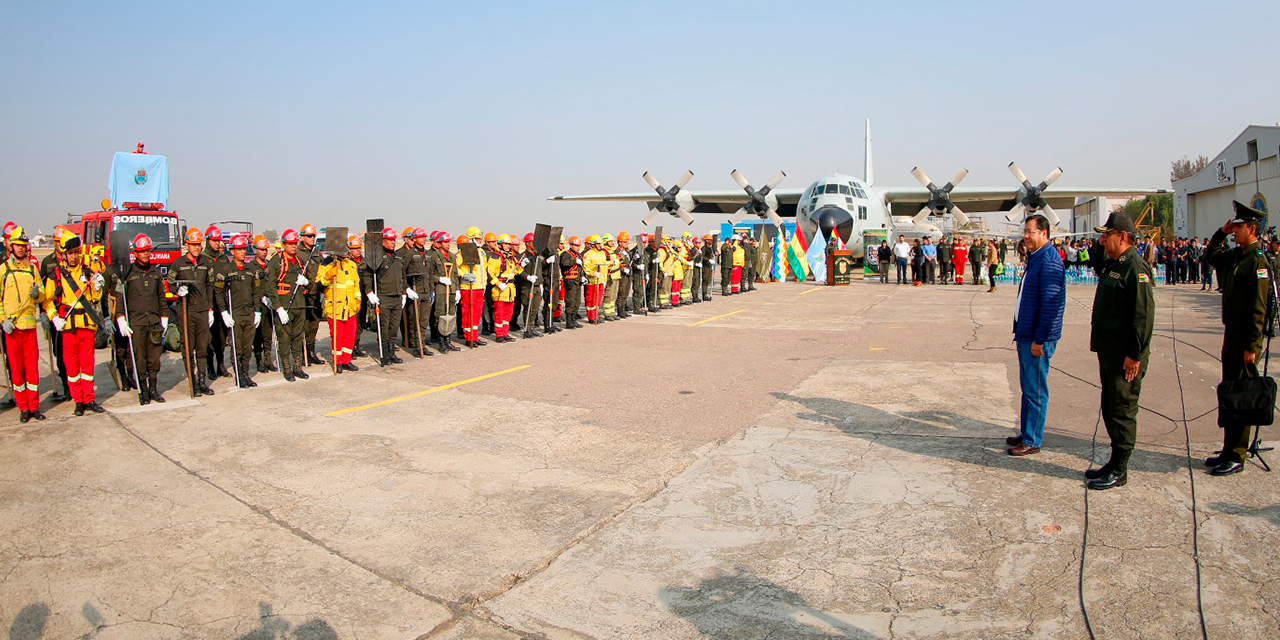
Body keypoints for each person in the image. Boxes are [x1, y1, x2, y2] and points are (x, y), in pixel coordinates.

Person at [1085, 211, 1155, 489]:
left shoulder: (1135, 269)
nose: (1103, 240)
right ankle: (1114, 462)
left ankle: (1121, 469)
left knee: (1122, 409)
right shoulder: (1115, 264)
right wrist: (1099, 240)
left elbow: (1143, 317)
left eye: (1108, 235)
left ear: (1123, 237)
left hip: (1126, 356)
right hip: (1110, 352)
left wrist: (1135, 355)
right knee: (1111, 406)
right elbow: (1096, 260)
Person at [1204, 201, 1273, 476]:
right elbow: (1212, 255)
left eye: (1239, 226)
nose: (1236, 231)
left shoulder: (1257, 261)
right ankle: (1228, 448)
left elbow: (1259, 309)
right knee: (1231, 391)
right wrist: (1221, 232)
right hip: (1231, 333)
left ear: (1252, 229)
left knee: (1242, 394)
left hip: (1244, 337)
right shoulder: (1238, 256)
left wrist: (1252, 346)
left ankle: (1238, 454)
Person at [1008, 215, 1066, 456]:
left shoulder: (1049, 262)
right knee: (1027, 387)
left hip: (1036, 338)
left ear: (1044, 233)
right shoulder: (1036, 259)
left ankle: (1032, 439)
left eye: (1030, 232)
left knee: (1036, 389)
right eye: (1025, 231)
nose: (1026, 236)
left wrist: (1039, 340)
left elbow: (1051, 306)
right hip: (1026, 334)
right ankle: (1027, 430)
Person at [41, 231, 106, 415]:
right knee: (72, 366)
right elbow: (47, 300)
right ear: (64, 254)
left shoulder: (87, 271)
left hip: (86, 325)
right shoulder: (56, 275)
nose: (73, 256)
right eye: (70, 253)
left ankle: (89, 399)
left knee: (87, 365)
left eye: (76, 252)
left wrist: (98, 287)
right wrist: (54, 317)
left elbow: (94, 298)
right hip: (67, 325)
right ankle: (78, 400)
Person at [113, 233, 170, 405]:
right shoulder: (126, 273)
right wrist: (120, 318)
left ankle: (153, 389)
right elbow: (119, 297)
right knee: (139, 359)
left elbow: (161, 297)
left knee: (154, 359)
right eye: (142, 251)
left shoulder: (156, 273)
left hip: (153, 322)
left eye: (148, 251)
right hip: (136, 323)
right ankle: (143, 390)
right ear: (135, 253)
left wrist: (164, 316)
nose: (146, 254)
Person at [1, 227, 48, 420]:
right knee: (17, 369)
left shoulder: (32, 269)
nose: (20, 249)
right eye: (17, 245)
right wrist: (3, 320)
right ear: (11, 246)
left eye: (23, 245)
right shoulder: (3, 270)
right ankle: (23, 407)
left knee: (31, 369)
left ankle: (34, 406)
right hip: (12, 329)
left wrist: (38, 294)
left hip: (29, 329)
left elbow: (42, 295)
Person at [168, 227, 217, 396]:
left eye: (199, 245)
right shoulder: (178, 263)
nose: (197, 248)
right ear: (187, 245)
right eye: (193, 244)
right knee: (188, 348)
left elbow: (210, 286)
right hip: (186, 311)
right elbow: (170, 282)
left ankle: (203, 381)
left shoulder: (206, 263)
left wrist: (210, 308)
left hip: (202, 310)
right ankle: (193, 382)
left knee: (203, 348)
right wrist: (177, 290)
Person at [213, 235, 264, 387]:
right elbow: (219, 292)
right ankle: (239, 375)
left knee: (248, 347)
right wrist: (223, 312)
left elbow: (256, 291)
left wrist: (257, 311)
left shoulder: (251, 270)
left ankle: (246, 374)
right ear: (232, 251)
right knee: (237, 347)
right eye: (239, 249)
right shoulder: (225, 270)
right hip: (234, 314)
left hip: (249, 313)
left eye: (244, 248)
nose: (242, 252)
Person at [267, 229, 313, 380]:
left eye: (295, 244)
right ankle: (287, 368)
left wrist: (306, 282)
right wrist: (278, 308)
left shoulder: (299, 261)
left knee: (298, 337)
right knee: (284, 338)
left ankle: (297, 367)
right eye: (290, 244)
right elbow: (270, 286)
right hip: (284, 306)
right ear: (284, 244)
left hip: (300, 305)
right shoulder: (276, 261)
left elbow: (309, 281)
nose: (293, 246)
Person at [362, 228, 408, 363]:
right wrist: (369, 292)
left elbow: (403, 276)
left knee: (394, 327)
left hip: (397, 296)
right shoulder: (376, 257)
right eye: (390, 240)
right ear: (383, 241)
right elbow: (367, 276)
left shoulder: (398, 257)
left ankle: (392, 351)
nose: (393, 243)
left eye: (394, 240)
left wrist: (404, 292)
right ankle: (385, 354)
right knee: (384, 327)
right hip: (384, 296)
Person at [202, 226, 232, 379]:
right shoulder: (202, 259)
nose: (216, 243)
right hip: (207, 303)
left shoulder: (223, 258)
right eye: (213, 241)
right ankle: (210, 367)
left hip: (222, 303)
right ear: (207, 240)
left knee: (221, 336)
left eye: (218, 241)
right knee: (208, 338)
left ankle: (221, 364)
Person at [558, 236, 584, 329]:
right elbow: (564, 263)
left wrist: (583, 277)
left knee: (577, 301)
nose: (578, 247)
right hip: (570, 280)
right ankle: (569, 321)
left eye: (579, 246)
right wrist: (574, 261)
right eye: (576, 245)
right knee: (570, 301)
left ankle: (574, 319)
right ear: (571, 245)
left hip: (578, 280)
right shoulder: (566, 254)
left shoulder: (579, 255)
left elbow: (581, 268)